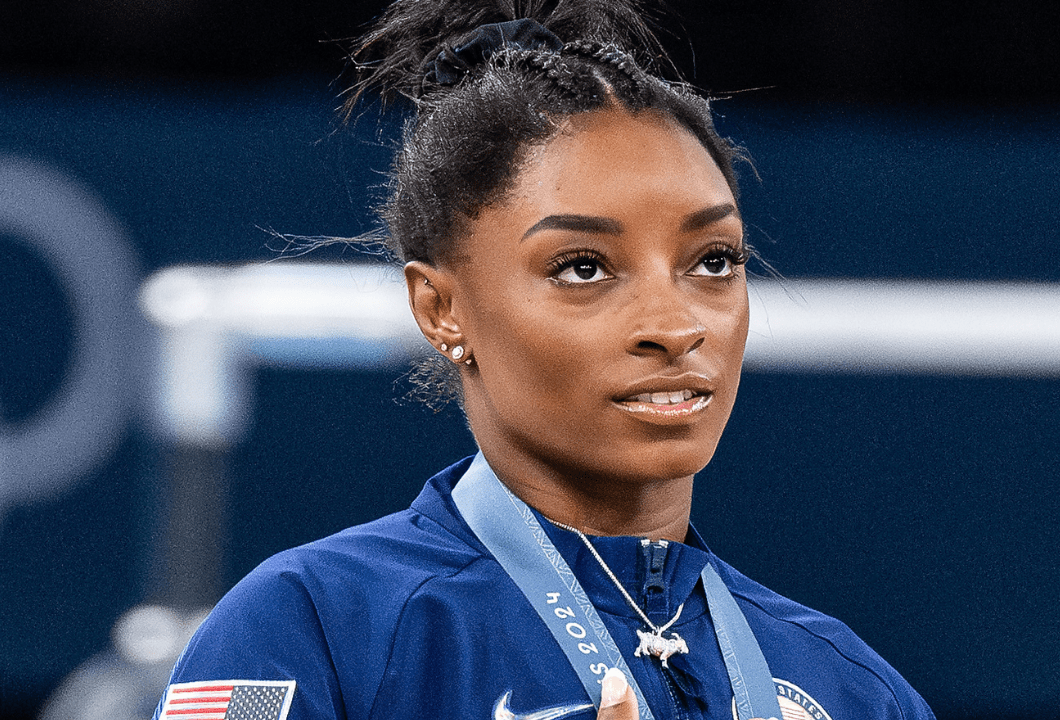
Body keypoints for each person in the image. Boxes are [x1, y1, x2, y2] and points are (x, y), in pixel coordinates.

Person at [154, 2, 936, 719]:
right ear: (440, 308)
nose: (674, 325)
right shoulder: (314, 625)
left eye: (713, 261)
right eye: (583, 267)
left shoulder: (850, 686)